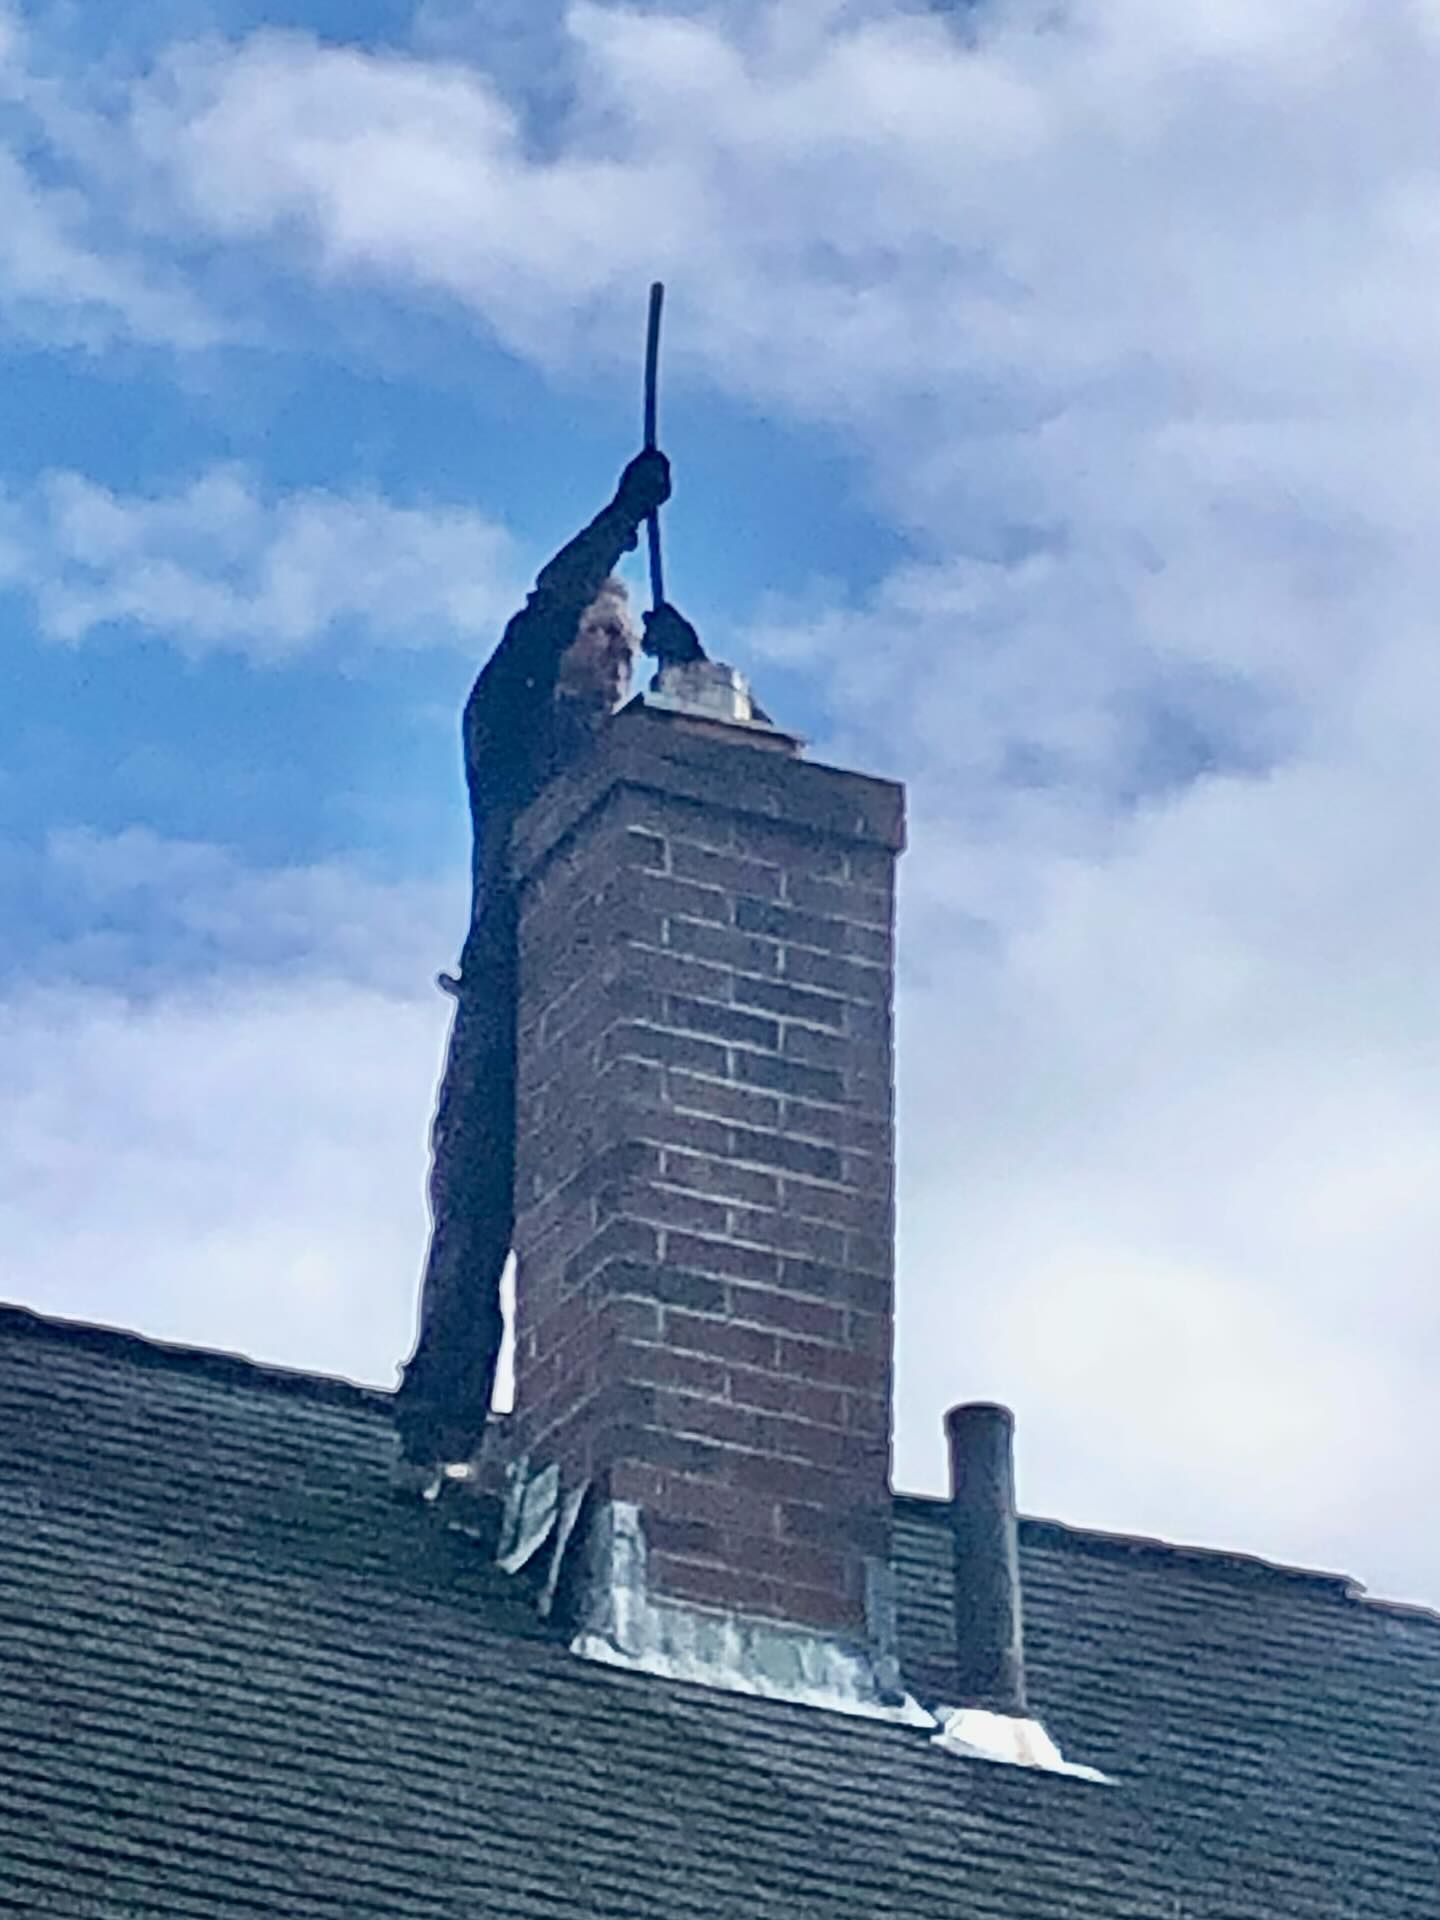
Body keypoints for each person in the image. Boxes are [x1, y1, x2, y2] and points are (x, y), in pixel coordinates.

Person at [395, 447, 684, 1475]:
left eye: (628, 643)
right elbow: (539, 609)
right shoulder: (509, 730)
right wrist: (616, 520)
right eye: (601, 635)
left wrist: (691, 692)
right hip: (508, 1004)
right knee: (477, 1221)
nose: (617, 657)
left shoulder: (630, 766)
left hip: (599, 1008)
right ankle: (441, 1439)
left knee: (596, 1219)